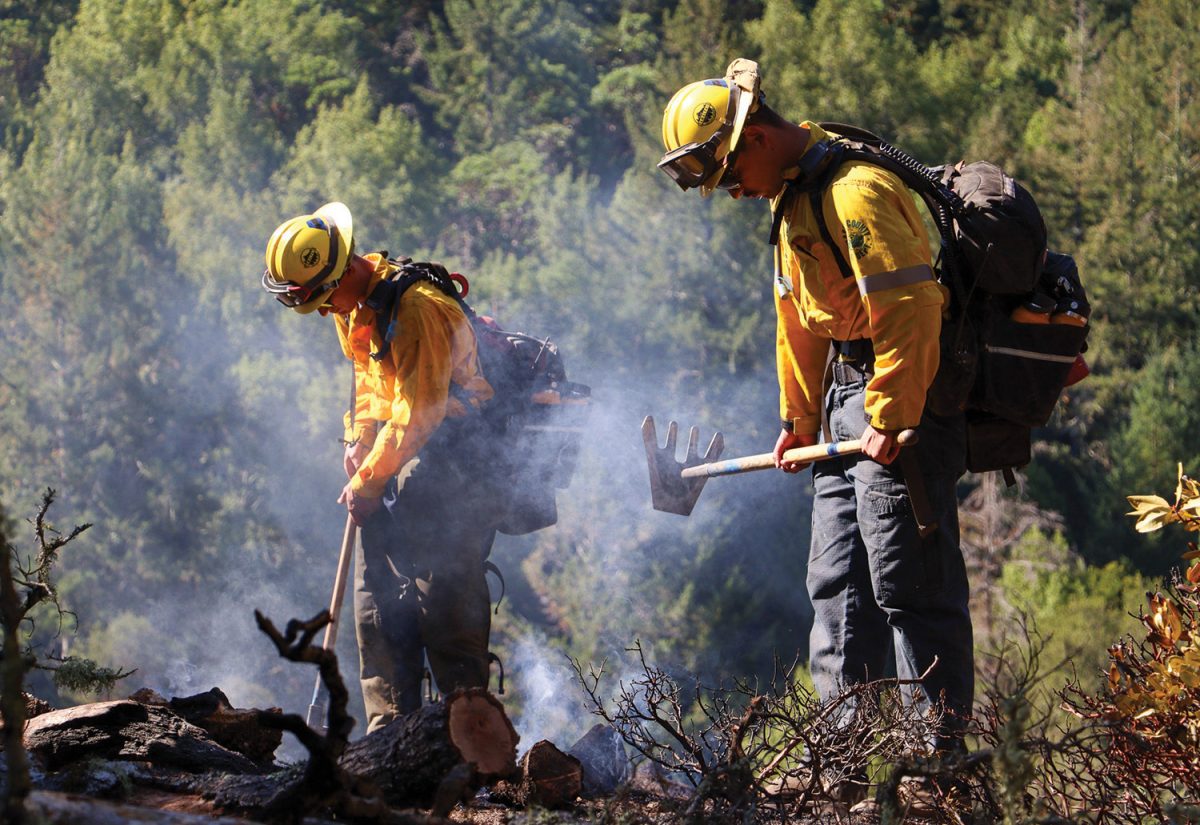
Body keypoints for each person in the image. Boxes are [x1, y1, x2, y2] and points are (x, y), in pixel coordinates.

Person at [658, 59, 974, 780]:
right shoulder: (793, 202)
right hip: (843, 394)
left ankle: (936, 768)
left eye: (731, 175)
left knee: (906, 580)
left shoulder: (854, 191)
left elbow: (913, 308)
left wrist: (892, 414)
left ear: (757, 140)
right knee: (837, 583)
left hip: (900, 389)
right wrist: (798, 419)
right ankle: (842, 761)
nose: (734, 191)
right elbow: (798, 321)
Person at [261, 202, 502, 732]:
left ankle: (466, 736)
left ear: (343, 268)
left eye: (323, 299)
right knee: (376, 598)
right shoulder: (349, 304)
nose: (324, 312)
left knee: (442, 598)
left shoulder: (416, 308)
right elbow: (372, 387)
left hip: (456, 452)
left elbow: (422, 410)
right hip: (404, 446)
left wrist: (370, 479)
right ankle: (390, 734)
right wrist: (357, 443)